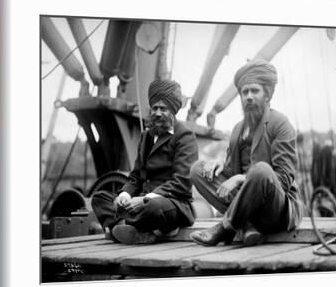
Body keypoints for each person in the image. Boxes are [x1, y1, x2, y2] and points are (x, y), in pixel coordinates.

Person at [190, 59, 303, 246]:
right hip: (246, 201)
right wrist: (220, 165)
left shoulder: (281, 124)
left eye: (255, 91)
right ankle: (248, 224)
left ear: (267, 95)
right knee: (197, 169)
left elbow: (283, 180)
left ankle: (226, 228)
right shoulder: (237, 130)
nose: (249, 96)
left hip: (275, 208)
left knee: (261, 170)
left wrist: (242, 178)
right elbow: (231, 172)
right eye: (244, 92)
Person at [91, 79, 199, 245]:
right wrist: (125, 195)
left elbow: (182, 182)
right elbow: (136, 177)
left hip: (173, 203)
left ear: (173, 110)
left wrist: (145, 199)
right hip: (142, 200)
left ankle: (122, 227)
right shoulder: (146, 136)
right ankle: (137, 230)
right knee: (100, 198)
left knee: (152, 207)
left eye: (163, 109)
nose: (157, 113)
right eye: (154, 108)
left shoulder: (185, 136)